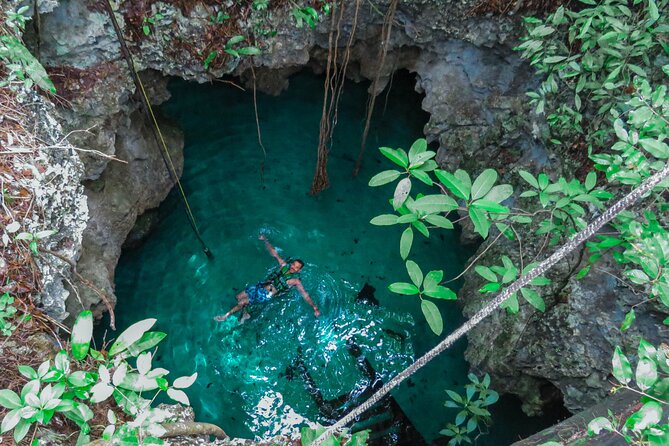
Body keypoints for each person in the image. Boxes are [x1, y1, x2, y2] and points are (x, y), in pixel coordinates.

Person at [214, 234, 321, 321]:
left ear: (299, 270)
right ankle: (246, 314)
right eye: (293, 264)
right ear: (291, 263)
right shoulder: (284, 266)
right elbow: (274, 253)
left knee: (242, 302)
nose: (293, 267)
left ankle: (225, 316)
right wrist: (265, 240)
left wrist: (314, 307)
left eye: (296, 267)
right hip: (260, 285)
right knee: (238, 297)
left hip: (266, 294)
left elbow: (305, 295)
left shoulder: (295, 281)